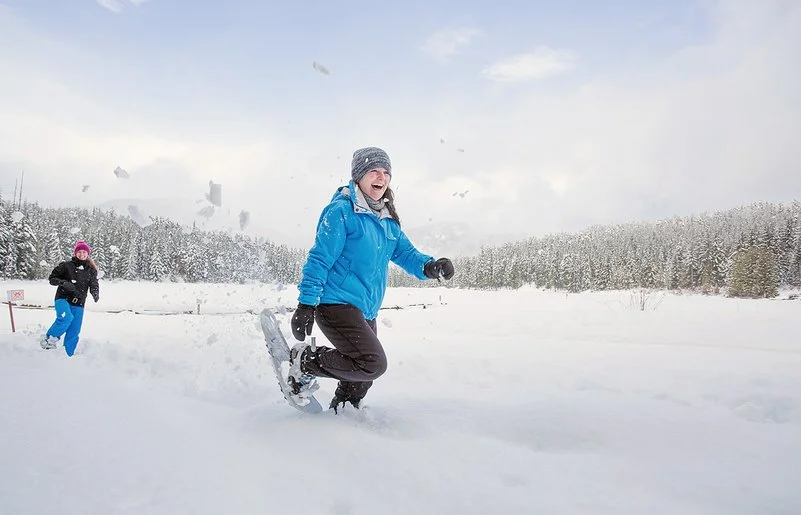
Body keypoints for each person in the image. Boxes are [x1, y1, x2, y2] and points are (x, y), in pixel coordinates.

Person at [290, 147, 454, 412]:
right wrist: (306, 304)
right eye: (374, 171)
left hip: (365, 309)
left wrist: (431, 267)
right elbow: (320, 259)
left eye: (386, 172)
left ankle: (343, 417)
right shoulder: (341, 212)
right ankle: (305, 360)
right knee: (371, 363)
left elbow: (407, 254)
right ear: (358, 177)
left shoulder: (387, 222)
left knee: (361, 380)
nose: (381, 177)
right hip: (335, 305)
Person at [41, 240, 100, 356]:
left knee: (74, 330)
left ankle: (68, 355)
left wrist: (95, 292)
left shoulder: (91, 270)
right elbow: (52, 278)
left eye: (84, 252)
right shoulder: (66, 266)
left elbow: (94, 283)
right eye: (79, 252)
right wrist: (63, 282)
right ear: (75, 253)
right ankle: (49, 340)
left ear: (87, 254)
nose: (82, 254)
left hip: (79, 303)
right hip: (63, 298)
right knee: (66, 318)